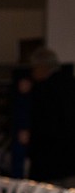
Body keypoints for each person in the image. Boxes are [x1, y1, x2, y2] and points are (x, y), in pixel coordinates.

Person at [24, 47, 75, 185]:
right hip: (69, 159)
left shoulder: (43, 90)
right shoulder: (69, 83)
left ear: (42, 67)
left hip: (48, 160)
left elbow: (42, 124)